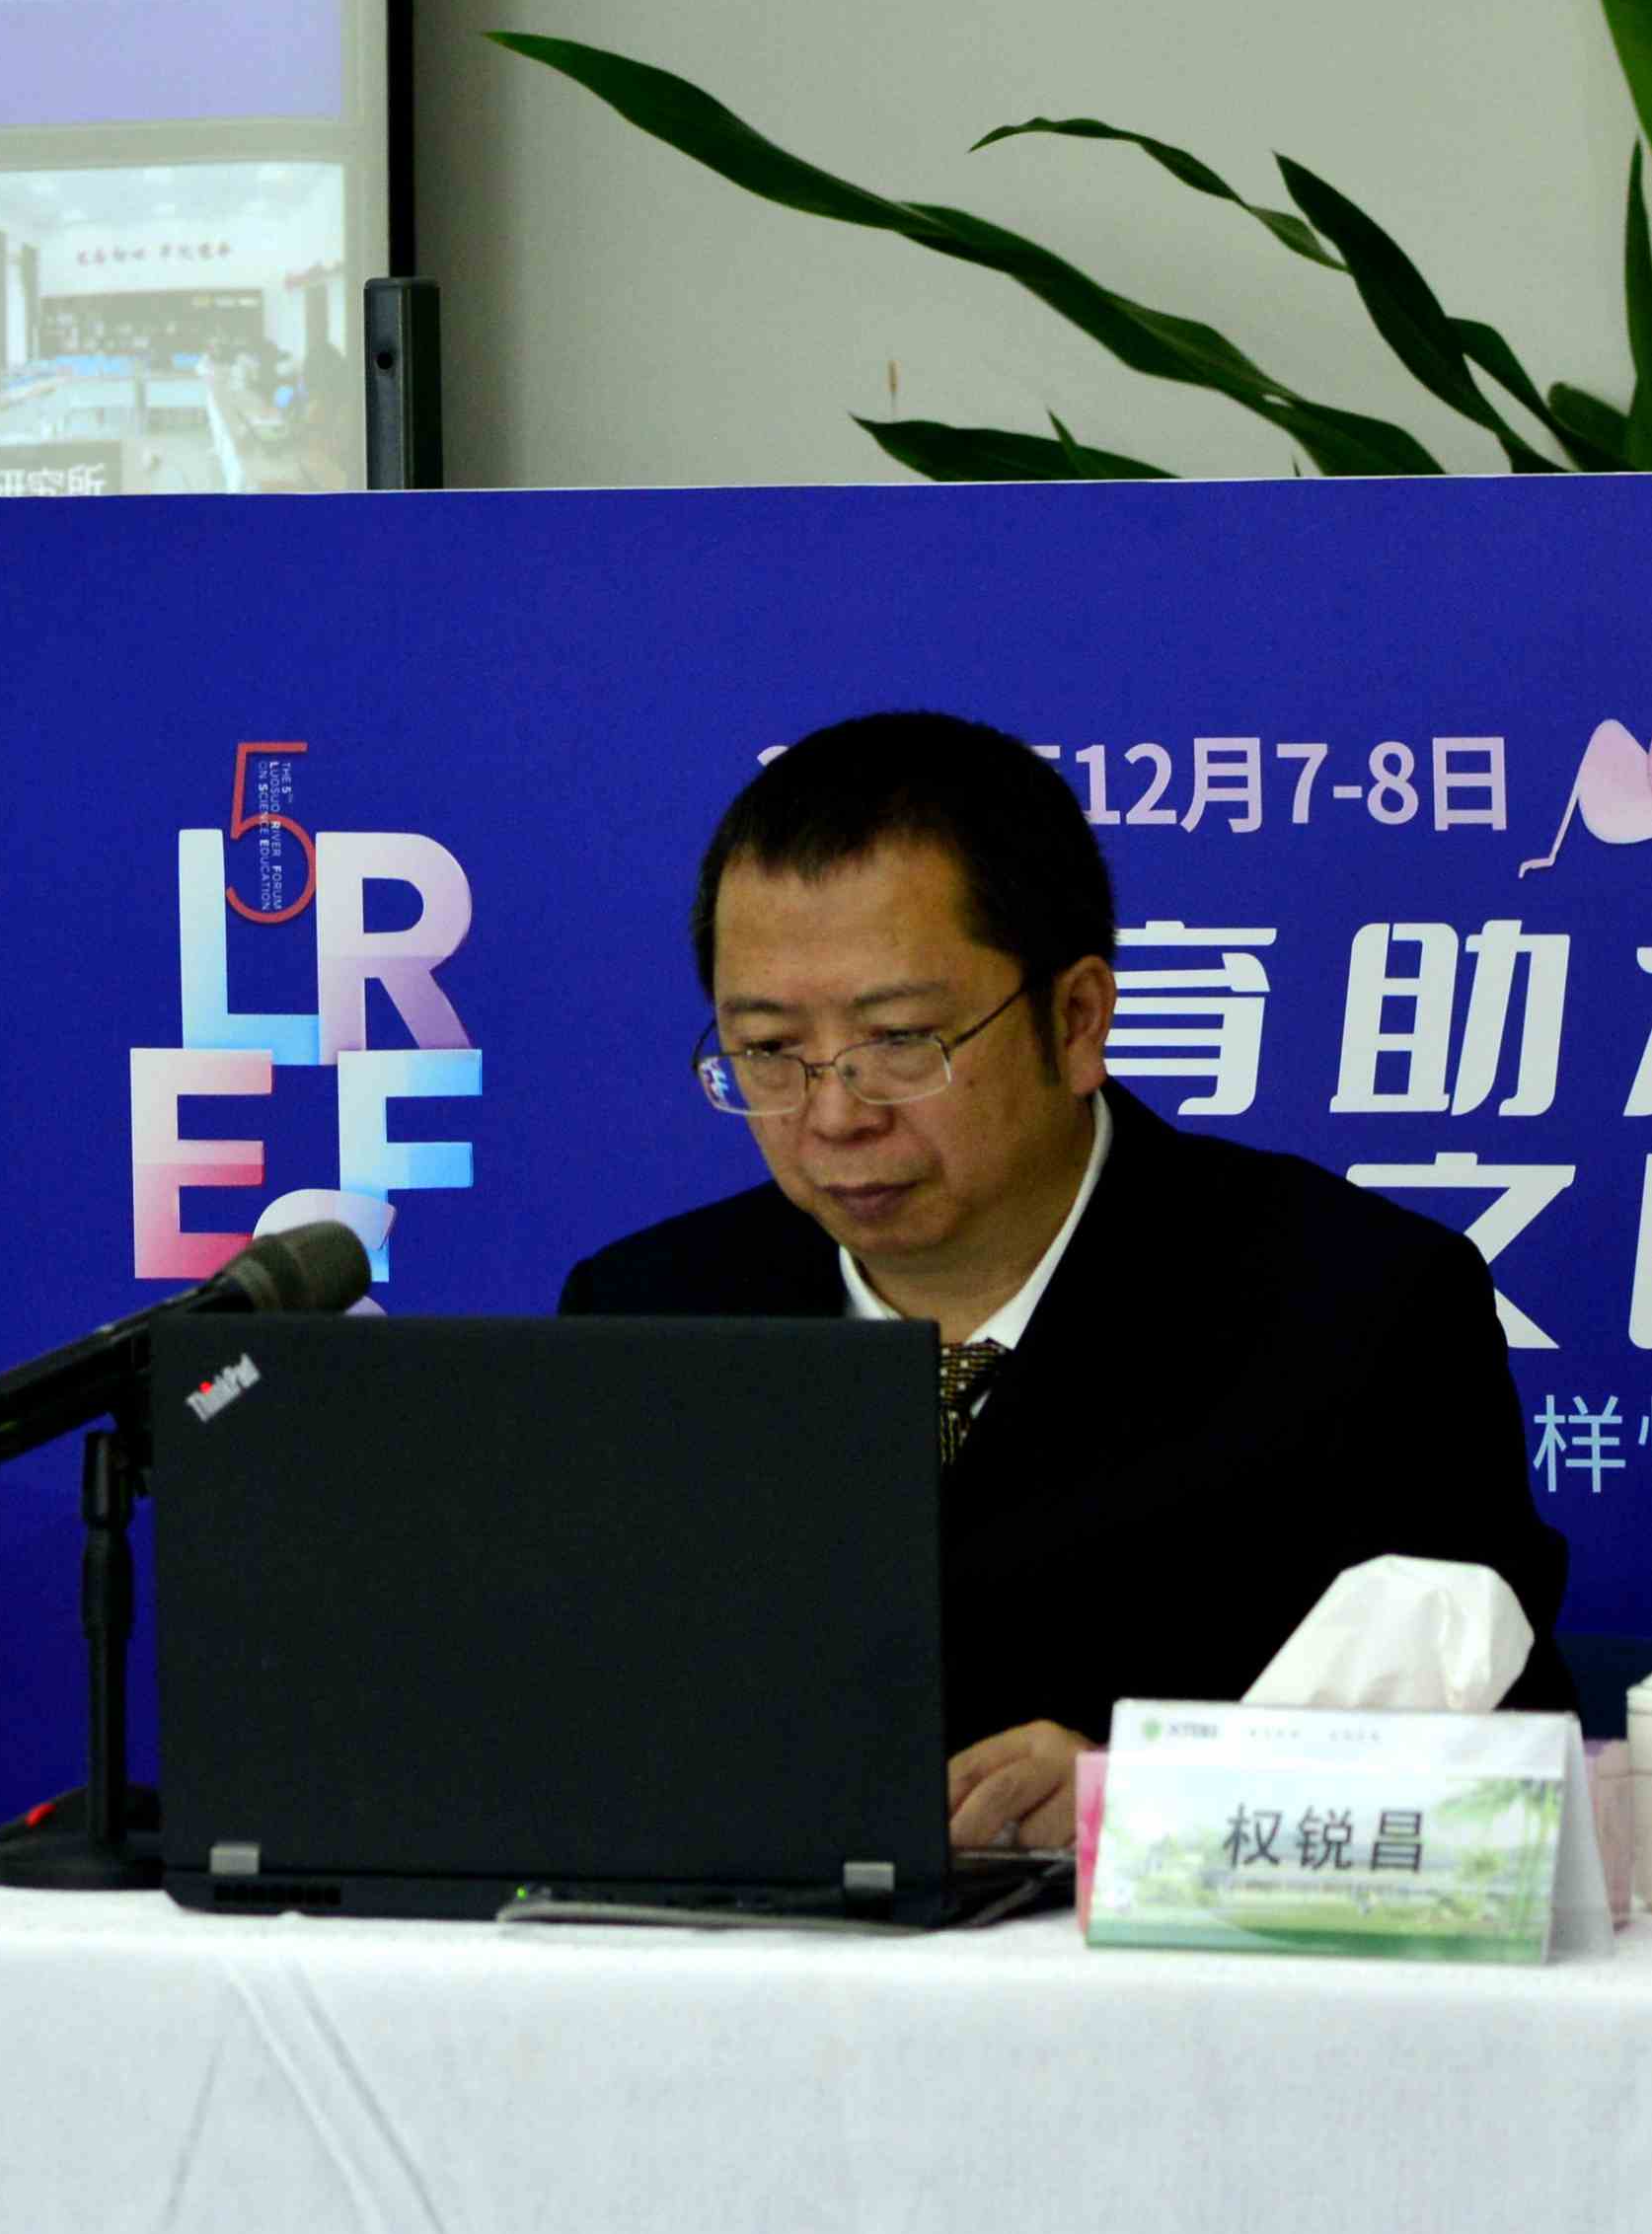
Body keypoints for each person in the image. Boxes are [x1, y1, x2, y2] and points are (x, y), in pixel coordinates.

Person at [563, 711, 1570, 1854]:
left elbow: (1502, 1793)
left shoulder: (1357, 1307)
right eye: (769, 1050)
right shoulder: (645, 1317)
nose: (833, 1114)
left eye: (900, 1040)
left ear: (1078, 1018)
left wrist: (1151, 1806)